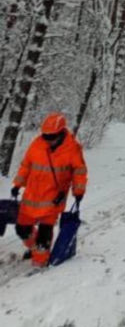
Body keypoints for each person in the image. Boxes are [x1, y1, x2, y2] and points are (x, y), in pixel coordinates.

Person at [10, 112, 87, 267]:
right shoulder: (37, 144)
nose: (47, 139)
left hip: (53, 196)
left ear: (60, 133)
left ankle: (40, 261)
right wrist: (17, 184)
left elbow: (79, 172)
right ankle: (34, 249)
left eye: (51, 136)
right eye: (45, 136)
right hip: (32, 194)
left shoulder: (72, 148)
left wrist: (78, 192)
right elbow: (26, 165)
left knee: (45, 231)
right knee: (22, 228)